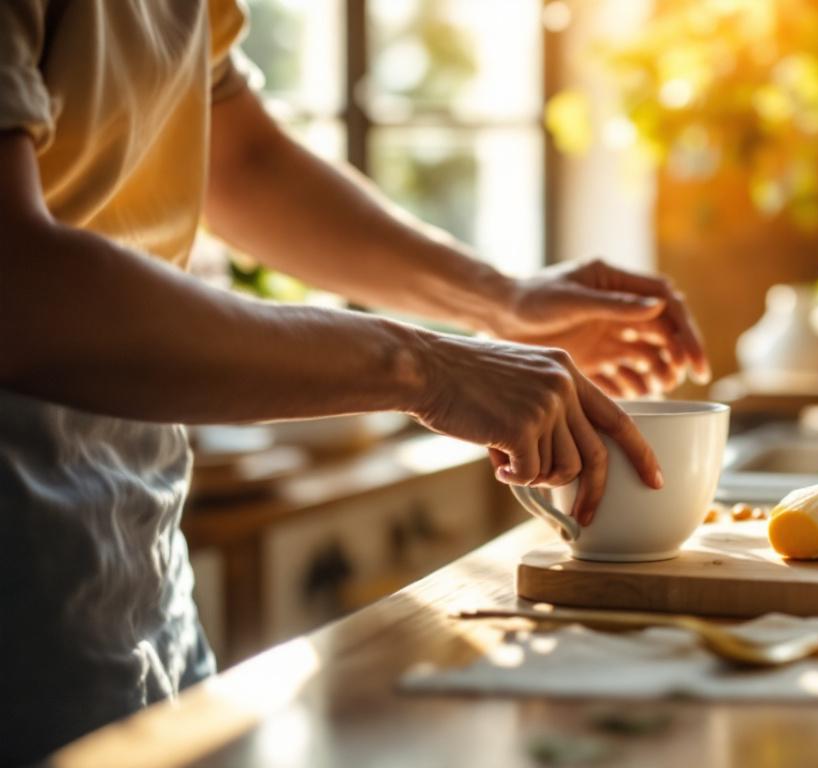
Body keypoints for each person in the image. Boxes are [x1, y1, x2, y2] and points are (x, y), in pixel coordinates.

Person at [0, 1, 709, 762]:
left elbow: (243, 160)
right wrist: (422, 367)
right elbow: (19, 287)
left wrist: (503, 301)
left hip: (139, 543)